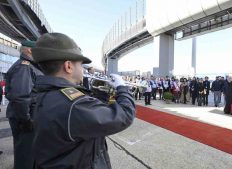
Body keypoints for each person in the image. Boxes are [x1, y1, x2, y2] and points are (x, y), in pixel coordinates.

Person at [31, 33, 135, 169]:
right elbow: (124, 116)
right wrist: (122, 88)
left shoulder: (44, 92)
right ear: (68, 66)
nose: (83, 69)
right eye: (81, 64)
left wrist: (99, 94)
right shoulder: (74, 104)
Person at [5, 40, 44, 169]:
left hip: (30, 115)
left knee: (30, 152)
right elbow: (21, 97)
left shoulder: (31, 66)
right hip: (25, 117)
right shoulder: (24, 67)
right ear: (29, 50)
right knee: (25, 154)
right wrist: (26, 120)